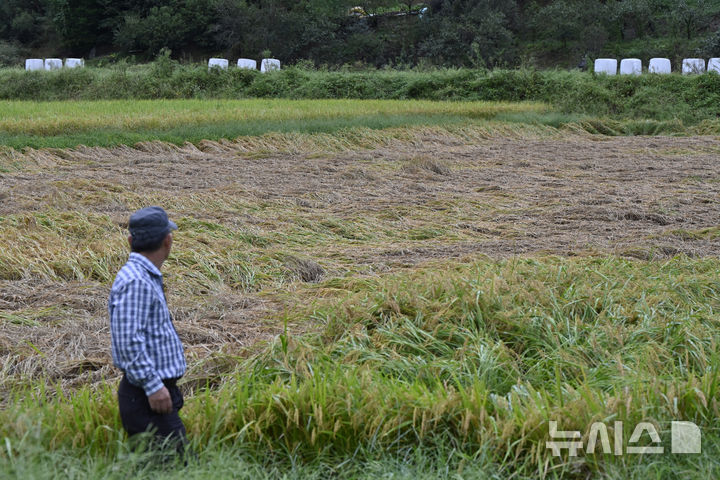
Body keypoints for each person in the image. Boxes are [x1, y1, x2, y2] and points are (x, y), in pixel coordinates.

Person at [108, 206, 188, 455]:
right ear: (168, 240)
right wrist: (153, 386)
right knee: (178, 467)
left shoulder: (142, 275)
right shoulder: (136, 281)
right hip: (145, 395)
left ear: (131, 240)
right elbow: (128, 341)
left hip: (150, 393)